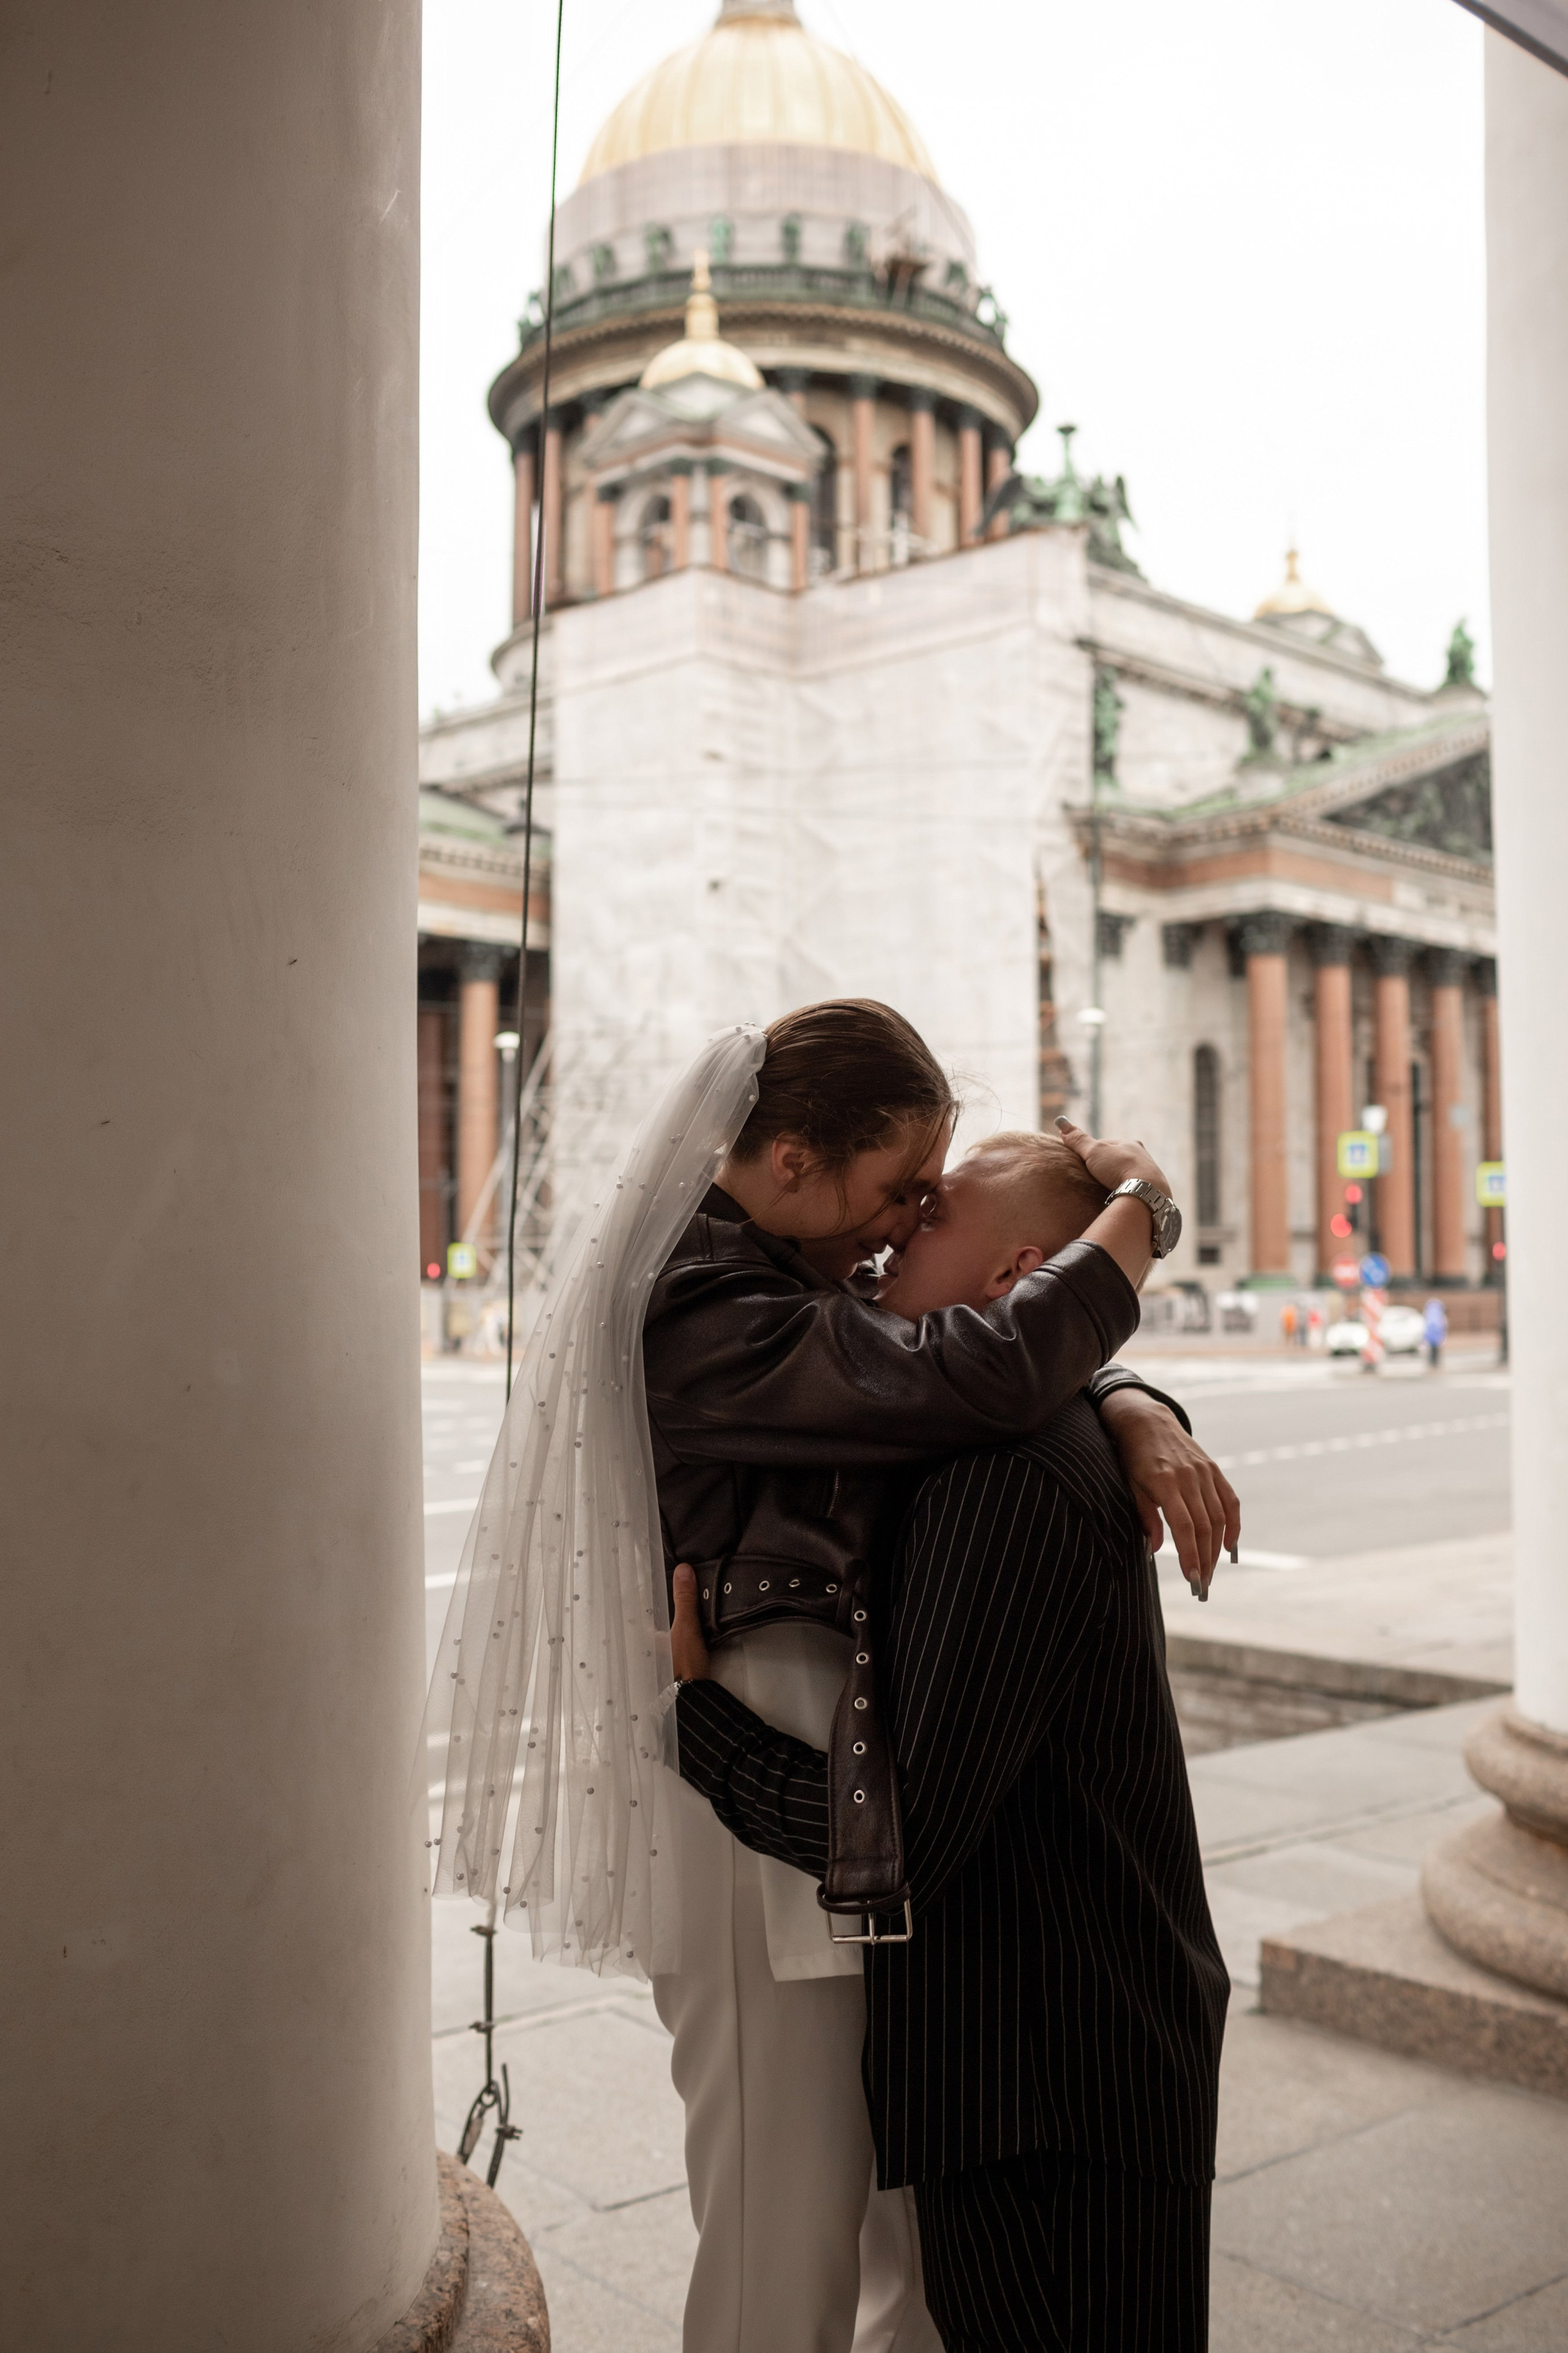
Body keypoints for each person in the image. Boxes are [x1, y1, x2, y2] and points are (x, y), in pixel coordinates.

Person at [640, 1015, 1235, 2353]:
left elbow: (980, 1365)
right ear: (792, 1158)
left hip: (1036, 2045)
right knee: (779, 2221)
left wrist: (1122, 1390)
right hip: (861, 1862)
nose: (897, 1232)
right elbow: (966, 1362)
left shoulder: (986, 1447)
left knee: (880, 2246)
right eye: (898, 1192)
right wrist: (1136, 1217)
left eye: (929, 1210)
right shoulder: (703, 1300)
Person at [1424, 1292, 1449, 1370]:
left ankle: (1432, 1363)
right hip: (1436, 1335)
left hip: (1432, 1335)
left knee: (1432, 1350)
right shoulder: (1439, 1314)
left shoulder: (1429, 1313)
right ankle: (1435, 1363)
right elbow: (1443, 1324)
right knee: (1436, 1350)